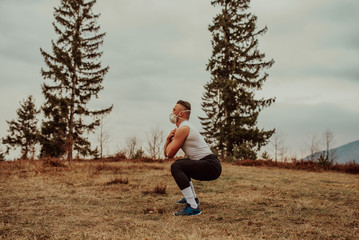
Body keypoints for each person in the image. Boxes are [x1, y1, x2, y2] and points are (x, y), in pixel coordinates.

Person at [164, 100, 222, 216]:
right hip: (208, 163)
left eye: (174, 110)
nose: (172, 112)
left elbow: (169, 154)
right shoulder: (184, 128)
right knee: (182, 164)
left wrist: (167, 140)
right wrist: (168, 140)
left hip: (211, 165)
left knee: (177, 166)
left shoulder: (184, 128)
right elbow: (166, 154)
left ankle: (193, 207)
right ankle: (191, 199)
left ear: (181, 114)